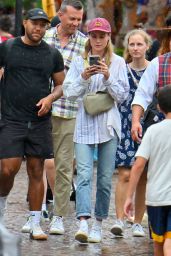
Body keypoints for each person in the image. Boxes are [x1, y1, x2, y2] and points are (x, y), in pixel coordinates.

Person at [62, 17, 129, 243]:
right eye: (94, 35)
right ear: (88, 37)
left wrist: (108, 77)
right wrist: (83, 77)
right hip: (84, 125)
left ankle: (99, 223)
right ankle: (83, 221)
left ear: (109, 37)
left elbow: (122, 96)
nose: (98, 40)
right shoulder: (79, 62)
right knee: (83, 175)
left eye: (102, 35)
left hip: (108, 126)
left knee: (104, 179)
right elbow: (69, 93)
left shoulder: (118, 62)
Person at [0, 8, 65, 240]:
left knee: (37, 170)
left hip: (39, 120)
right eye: (34, 23)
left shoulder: (52, 54)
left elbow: (59, 85)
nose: (38, 28)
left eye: (43, 24)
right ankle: (1, 208)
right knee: (8, 167)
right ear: (25, 23)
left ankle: (36, 222)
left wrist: (49, 98)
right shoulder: (8, 48)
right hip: (11, 118)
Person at [43, 0, 87, 235]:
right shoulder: (45, 36)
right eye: (72, 18)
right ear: (60, 15)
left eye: (79, 19)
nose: (76, 23)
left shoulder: (84, 43)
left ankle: (58, 215)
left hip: (69, 111)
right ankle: (36, 211)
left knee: (63, 166)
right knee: (35, 162)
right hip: (38, 109)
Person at [111, 29, 151, 237]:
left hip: (149, 126)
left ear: (147, 46)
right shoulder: (121, 69)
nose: (135, 48)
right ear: (128, 47)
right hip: (125, 124)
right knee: (125, 174)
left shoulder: (153, 69)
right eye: (132, 44)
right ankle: (119, 219)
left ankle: (137, 222)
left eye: (139, 44)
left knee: (143, 175)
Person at [124, 85, 171, 256]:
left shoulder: (152, 131)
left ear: (159, 107)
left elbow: (138, 166)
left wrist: (129, 197)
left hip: (155, 199)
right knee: (169, 243)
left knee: (158, 244)